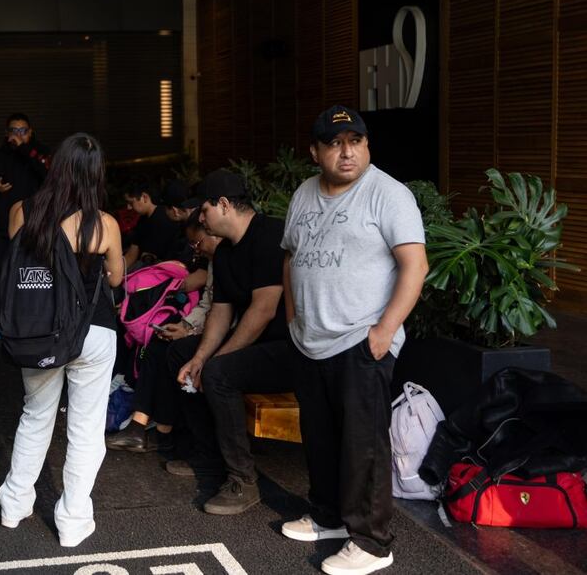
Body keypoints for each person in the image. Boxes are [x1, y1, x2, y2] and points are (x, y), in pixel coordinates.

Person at [279, 106, 427, 575]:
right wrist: (292, 318)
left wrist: (383, 334)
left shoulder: (388, 194)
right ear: (315, 152)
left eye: (356, 141)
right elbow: (290, 258)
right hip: (310, 341)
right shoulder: (304, 193)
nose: (347, 151)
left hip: (360, 342)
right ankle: (329, 518)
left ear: (367, 145)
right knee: (320, 439)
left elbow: (415, 266)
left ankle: (372, 543)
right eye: (335, 143)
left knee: (364, 447)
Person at [0, 133, 124, 549]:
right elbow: (117, 279)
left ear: (56, 167)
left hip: (39, 331)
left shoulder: (23, 211)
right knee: (85, 430)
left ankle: (14, 505)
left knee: (36, 416)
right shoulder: (103, 223)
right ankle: (72, 520)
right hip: (92, 333)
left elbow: (16, 265)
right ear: (95, 174)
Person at [171, 169, 293, 515]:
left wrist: (213, 362)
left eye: (205, 210)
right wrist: (199, 358)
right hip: (257, 347)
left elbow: (264, 309)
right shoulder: (224, 253)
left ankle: (244, 479)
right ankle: (210, 456)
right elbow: (220, 313)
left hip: (289, 350)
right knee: (180, 353)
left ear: (224, 205)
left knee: (218, 373)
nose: (201, 219)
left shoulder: (271, 234)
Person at [106, 211, 221, 454]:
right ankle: (149, 427)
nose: (195, 249)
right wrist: (186, 326)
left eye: (198, 242)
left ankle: (155, 431)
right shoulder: (214, 261)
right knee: (160, 339)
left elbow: (222, 313)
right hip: (206, 324)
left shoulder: (225, 260)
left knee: (168, 349)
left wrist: (190, 329)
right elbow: (206, 306)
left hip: (222, 333)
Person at [0, 113, 50, 339]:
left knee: (34, 273)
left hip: (35, 225)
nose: (17, 135)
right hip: (3, 227)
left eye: (22, 131)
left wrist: (23, 149)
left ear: (30, 133)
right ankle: (4, 323)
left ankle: (36, 321)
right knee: (4, 273)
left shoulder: (38, 153)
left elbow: (49, 177)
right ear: (6, 133)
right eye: (13, 130)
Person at [123, 179, 185, 269]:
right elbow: (132, 253)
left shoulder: (165, 217)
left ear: (144, 197)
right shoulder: (142, 220)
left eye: (131, 203)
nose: (128, 208)